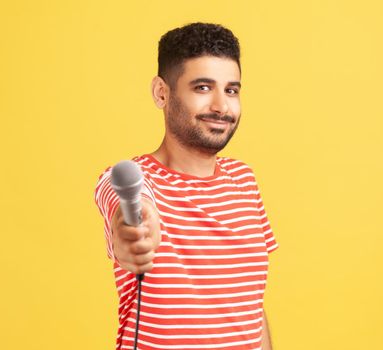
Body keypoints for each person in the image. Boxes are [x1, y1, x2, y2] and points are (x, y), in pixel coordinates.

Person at [95, 22, 279, 350]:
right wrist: (134, 228)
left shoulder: (245, 181)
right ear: (161, 93)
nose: (222, 106)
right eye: (203, 88)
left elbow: (249, 307)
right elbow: (128, 209)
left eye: (232, 90)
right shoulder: (131, 179)